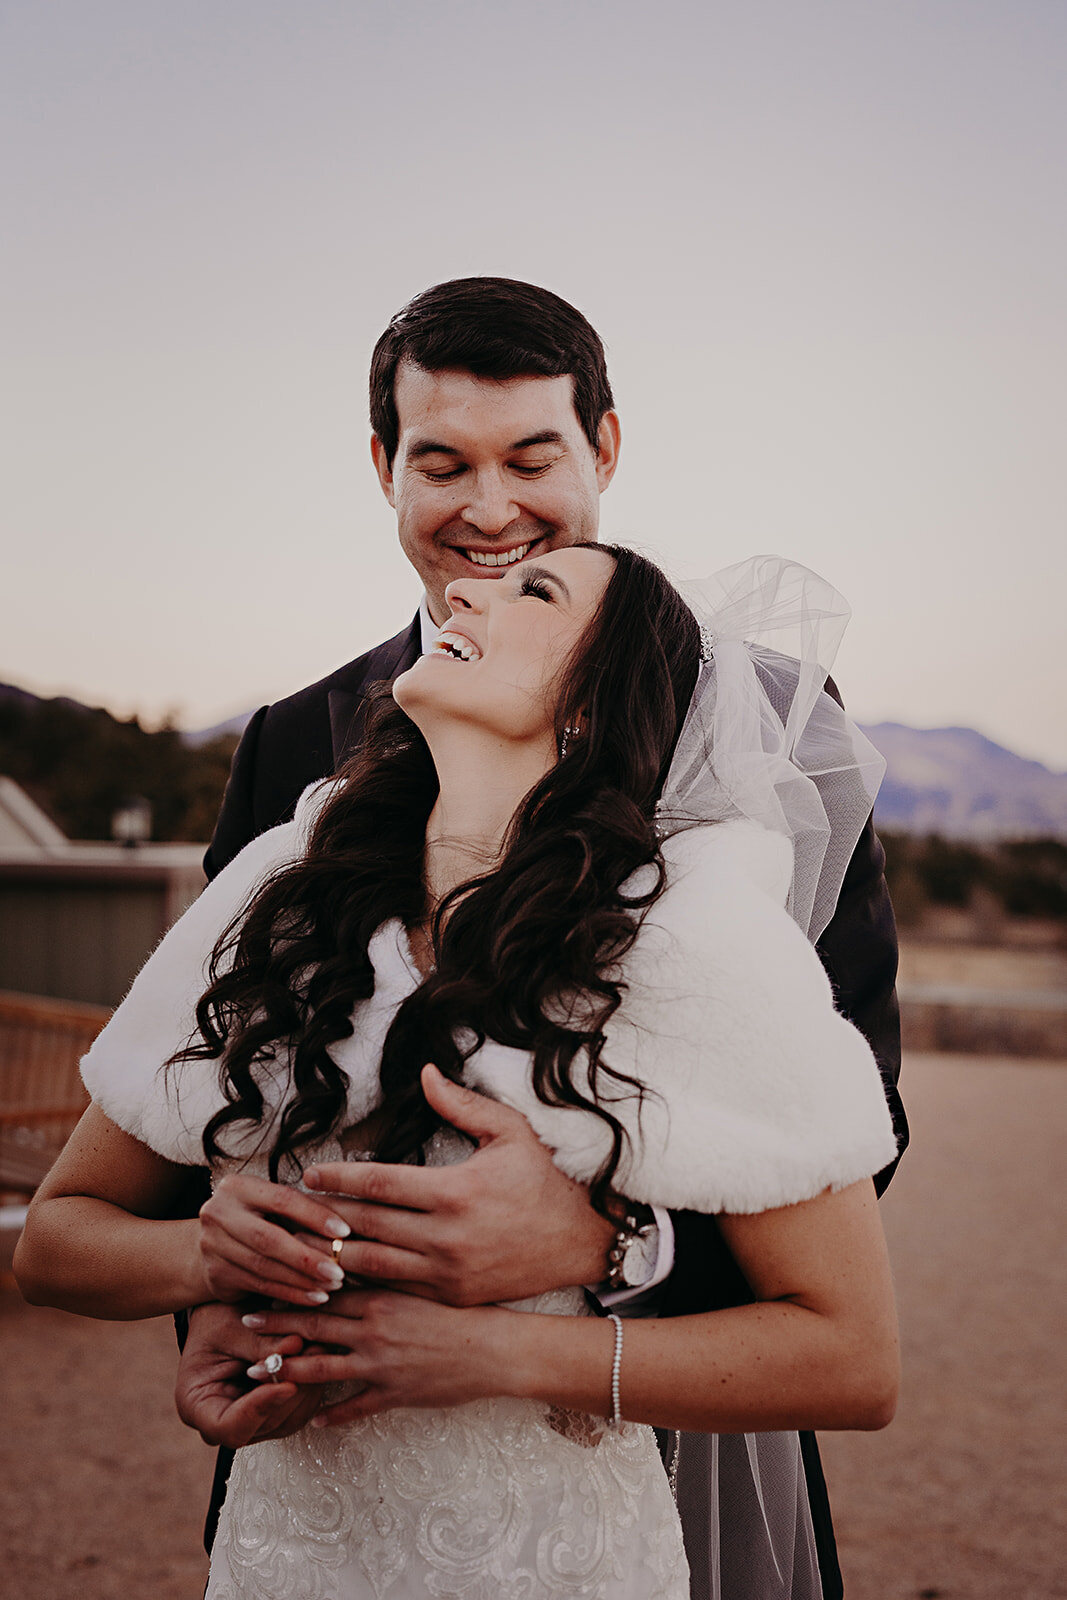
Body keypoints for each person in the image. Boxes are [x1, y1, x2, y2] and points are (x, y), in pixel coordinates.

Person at [182, 277, 906, 1599]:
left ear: (605, 449)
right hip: (340, 1444)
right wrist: (227, 1317)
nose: (490, 508)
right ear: (381, 470)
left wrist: (607, 1249)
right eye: (441, 462)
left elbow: (858, 1107)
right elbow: (232, 1090)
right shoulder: (293, 739)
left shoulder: (766, 724)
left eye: (532, 457)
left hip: (662, 1408)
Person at [17, 542, 900, 1599]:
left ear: (590, 705)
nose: (467, 587)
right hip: (287, 1555)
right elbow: (57, 1241)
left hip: (554, 1564)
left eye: (536, 590)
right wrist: (204, 1259)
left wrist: (495, 1355)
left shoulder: (689, 937)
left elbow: (853, 1359)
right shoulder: (282, 895)